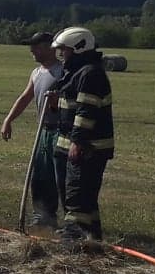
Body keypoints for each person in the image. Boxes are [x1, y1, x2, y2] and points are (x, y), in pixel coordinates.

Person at [45, 26, 115, 243]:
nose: (61, 55)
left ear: (78, 48)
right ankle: (92, 239)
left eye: (64, 51)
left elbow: (87, 110)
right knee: (77, 196)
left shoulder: (91, 74)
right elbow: (72, 109)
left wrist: (78, 141)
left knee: (77, 197)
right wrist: (56, 104)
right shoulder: (76, 73)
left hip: (87, 148)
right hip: (70, 144)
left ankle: (74, 241)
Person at [0, 31, 65, 228]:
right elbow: (25, 97)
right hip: (43, 131)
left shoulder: (62, 72)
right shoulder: (37, 73)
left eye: (36, 47)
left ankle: (68, 220)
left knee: (59, 176)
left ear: (49, 47)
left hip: (61, 131)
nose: (31, 51)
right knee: (40, 175)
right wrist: (8, 120)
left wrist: (57, 103)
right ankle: (41, 215)